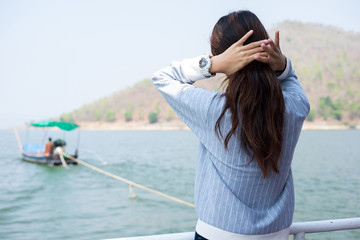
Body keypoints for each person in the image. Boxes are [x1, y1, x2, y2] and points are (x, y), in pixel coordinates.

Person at [152, 10, 310, 240]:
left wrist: (212, 64)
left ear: (226, 58)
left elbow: (162, 77)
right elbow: (291, 81)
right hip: (276, 234)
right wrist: (282, 65)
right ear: (266, 51)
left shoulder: (213, 110)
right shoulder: (294, 107)